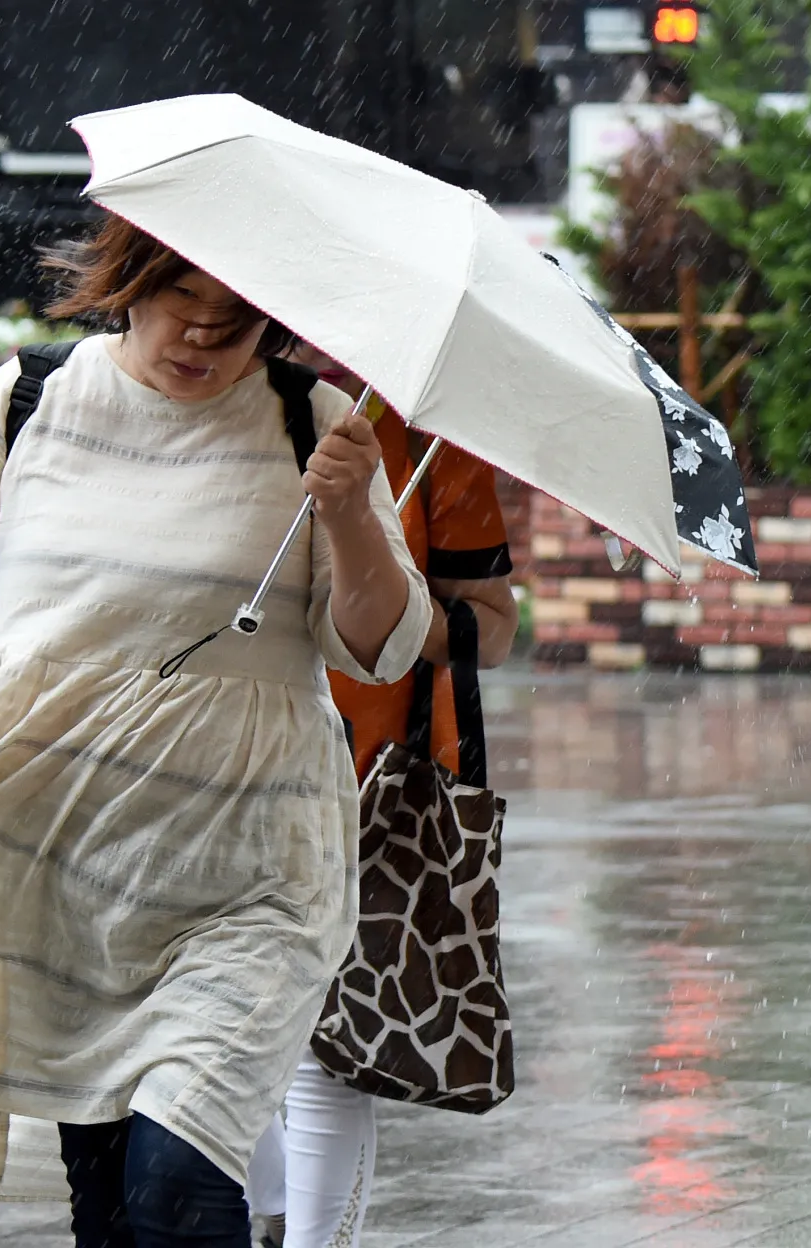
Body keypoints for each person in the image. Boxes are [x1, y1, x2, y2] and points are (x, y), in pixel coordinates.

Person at [0, 214, 433, 1248]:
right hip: (61, 856)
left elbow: (380, 648)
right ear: (130, 282)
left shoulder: (315, 425)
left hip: (247, 875)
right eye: (184, 308)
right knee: (108, 1196)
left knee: (180, 1170)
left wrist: (353, 513)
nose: (203, 341)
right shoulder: (32, 398)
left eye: (236, 326)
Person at [245, 344, 518, 1248]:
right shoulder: (218, 392)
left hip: (369, 777)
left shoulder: (431, 429)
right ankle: (268, 1215)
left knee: (328, 1052)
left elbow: (492, 627)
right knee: (218, 1020)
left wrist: (384, 589)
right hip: (213, 751)